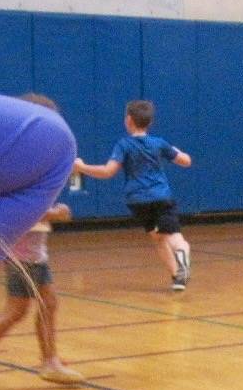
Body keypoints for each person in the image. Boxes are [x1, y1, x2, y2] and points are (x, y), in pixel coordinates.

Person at [0, 95, 84, 389]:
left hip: (35, 254)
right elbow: (19, 215)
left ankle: (50, 360)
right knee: (16, 310)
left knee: (47, 303)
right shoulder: (12, 170)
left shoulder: (30, 167)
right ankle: (48, 360)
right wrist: (56, 212)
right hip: (22, 253)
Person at [73, 99, 192, 291]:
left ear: (128, 120)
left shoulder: (124, 145)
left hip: (138, 201)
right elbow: (186, 161)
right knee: (174, 237)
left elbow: (107, 171)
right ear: (150, 123)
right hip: (161, 197)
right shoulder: (159, 143)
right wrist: (178, 151)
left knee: (159, 238)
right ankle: (183, 256)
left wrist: (82, 167)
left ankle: (177, 277)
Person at [0, 90, 75, 272]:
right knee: (19, 300)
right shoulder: (51, 144)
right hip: (23, 257)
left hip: (35, 257)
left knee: (46, 296)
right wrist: (55, 213)